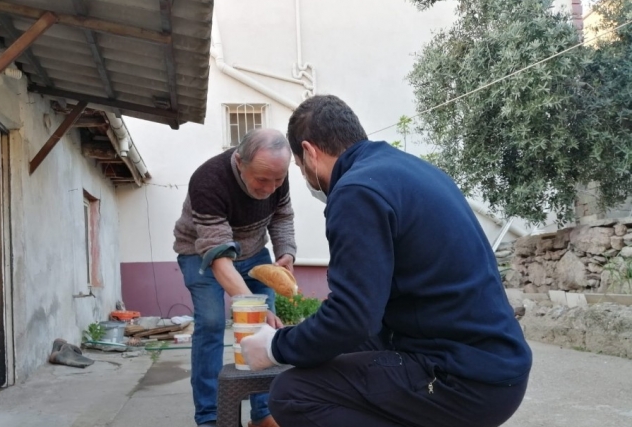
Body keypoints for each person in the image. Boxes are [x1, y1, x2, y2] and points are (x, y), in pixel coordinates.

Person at [241, 95, 532, 427]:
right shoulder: (407, 170)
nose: (306, 177)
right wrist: (301, 339)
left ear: (308, 152)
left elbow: (354, 318)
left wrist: (275, 347)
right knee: (332, 355)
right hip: (494, 366)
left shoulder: (355, 191)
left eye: (298, 166)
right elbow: (368, 316)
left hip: (462, 379)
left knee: (293, 393)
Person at [173, 128, 296, 427]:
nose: (271, 187)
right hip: (202, 254)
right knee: (213, 323)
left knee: (262, 331)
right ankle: (210, 417)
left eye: (278, 180)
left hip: (254, 252)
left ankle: (263, 413)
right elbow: (218, 258)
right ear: (240, 162)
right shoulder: (208, 180)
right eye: (262, 179)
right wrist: (255, 306)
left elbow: (282, 216)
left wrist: (286, 253)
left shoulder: (276, 174)